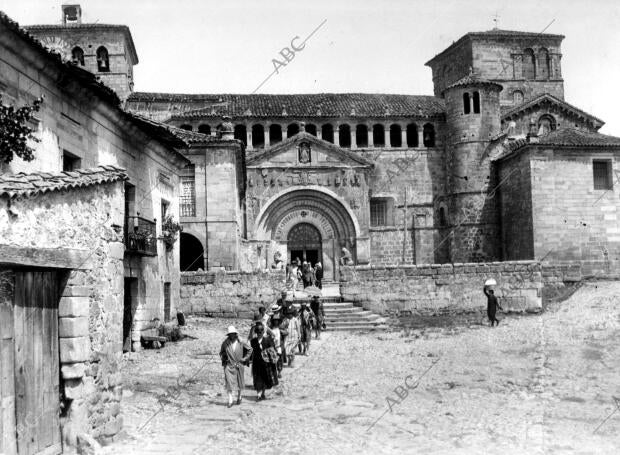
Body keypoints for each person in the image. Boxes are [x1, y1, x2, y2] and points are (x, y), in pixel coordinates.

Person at [219, 326, 252, 408]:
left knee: (239, 381)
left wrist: (244, 359)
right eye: (230, 334)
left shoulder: (241, 342)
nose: (232, 335)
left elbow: (250, 349)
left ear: (235, 334)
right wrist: (224, 357)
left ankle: (239, 396)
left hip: (238, 364)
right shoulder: (225, 343)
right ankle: (230, 400)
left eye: (233, 334)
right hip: (229, 365)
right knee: (229, 382)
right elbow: (221, 352)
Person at [250, 322, 279, 401]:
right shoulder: (253, 341)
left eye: (261, 332)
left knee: (265, 379)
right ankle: (259, 395)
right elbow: (251, 349)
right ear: (256, 332)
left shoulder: (268, 340)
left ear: (263, 332)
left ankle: (263, 393)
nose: (259, 334)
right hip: (257, 363)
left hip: (266, 364)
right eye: (258, 332)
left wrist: (273, 359)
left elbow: (272, 351)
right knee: (257, 379)